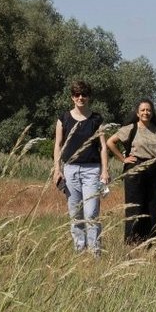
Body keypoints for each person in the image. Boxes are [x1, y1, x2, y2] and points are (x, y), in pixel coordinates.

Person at [52, 80, 110, 254]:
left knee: (91, 213)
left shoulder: (96, 119)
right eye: (77, 95)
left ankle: (94, 252)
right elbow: (58, 145)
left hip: (92, 170)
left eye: (84, 94)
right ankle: (80, 250)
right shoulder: (64, 118)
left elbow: (103, 146)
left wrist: (105, 171)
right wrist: (57, 169)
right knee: (75, 214)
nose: (80, 98)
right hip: (70, 170)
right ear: (72, 97)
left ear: (89, 97)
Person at [107, 99, 156, 246]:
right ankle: (130, 242)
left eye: (148, 110)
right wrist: (123, 159)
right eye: (142, 110)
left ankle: (148, 243)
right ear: (137, 113)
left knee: (152, 207)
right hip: (135, 169)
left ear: (152, 112)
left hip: (153, 169)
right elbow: (110, 142)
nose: (145, 113)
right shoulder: (131, 128)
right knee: (134, 207)